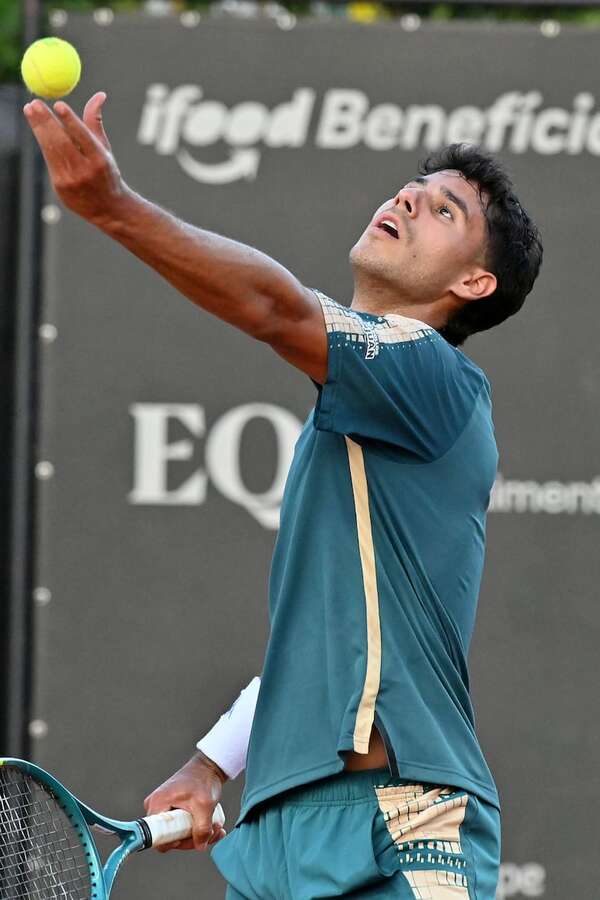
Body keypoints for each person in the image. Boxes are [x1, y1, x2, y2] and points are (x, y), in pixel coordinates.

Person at [24, 93, 543, 899]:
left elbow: (274, 308)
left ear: (475, 281)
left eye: (444, 208)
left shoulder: (435, 379)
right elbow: (322, 640)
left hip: (403, 821)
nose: (407, 197)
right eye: (413, 185)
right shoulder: (348, 425)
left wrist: (114, 208)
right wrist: (208, 768)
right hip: (276, 837)